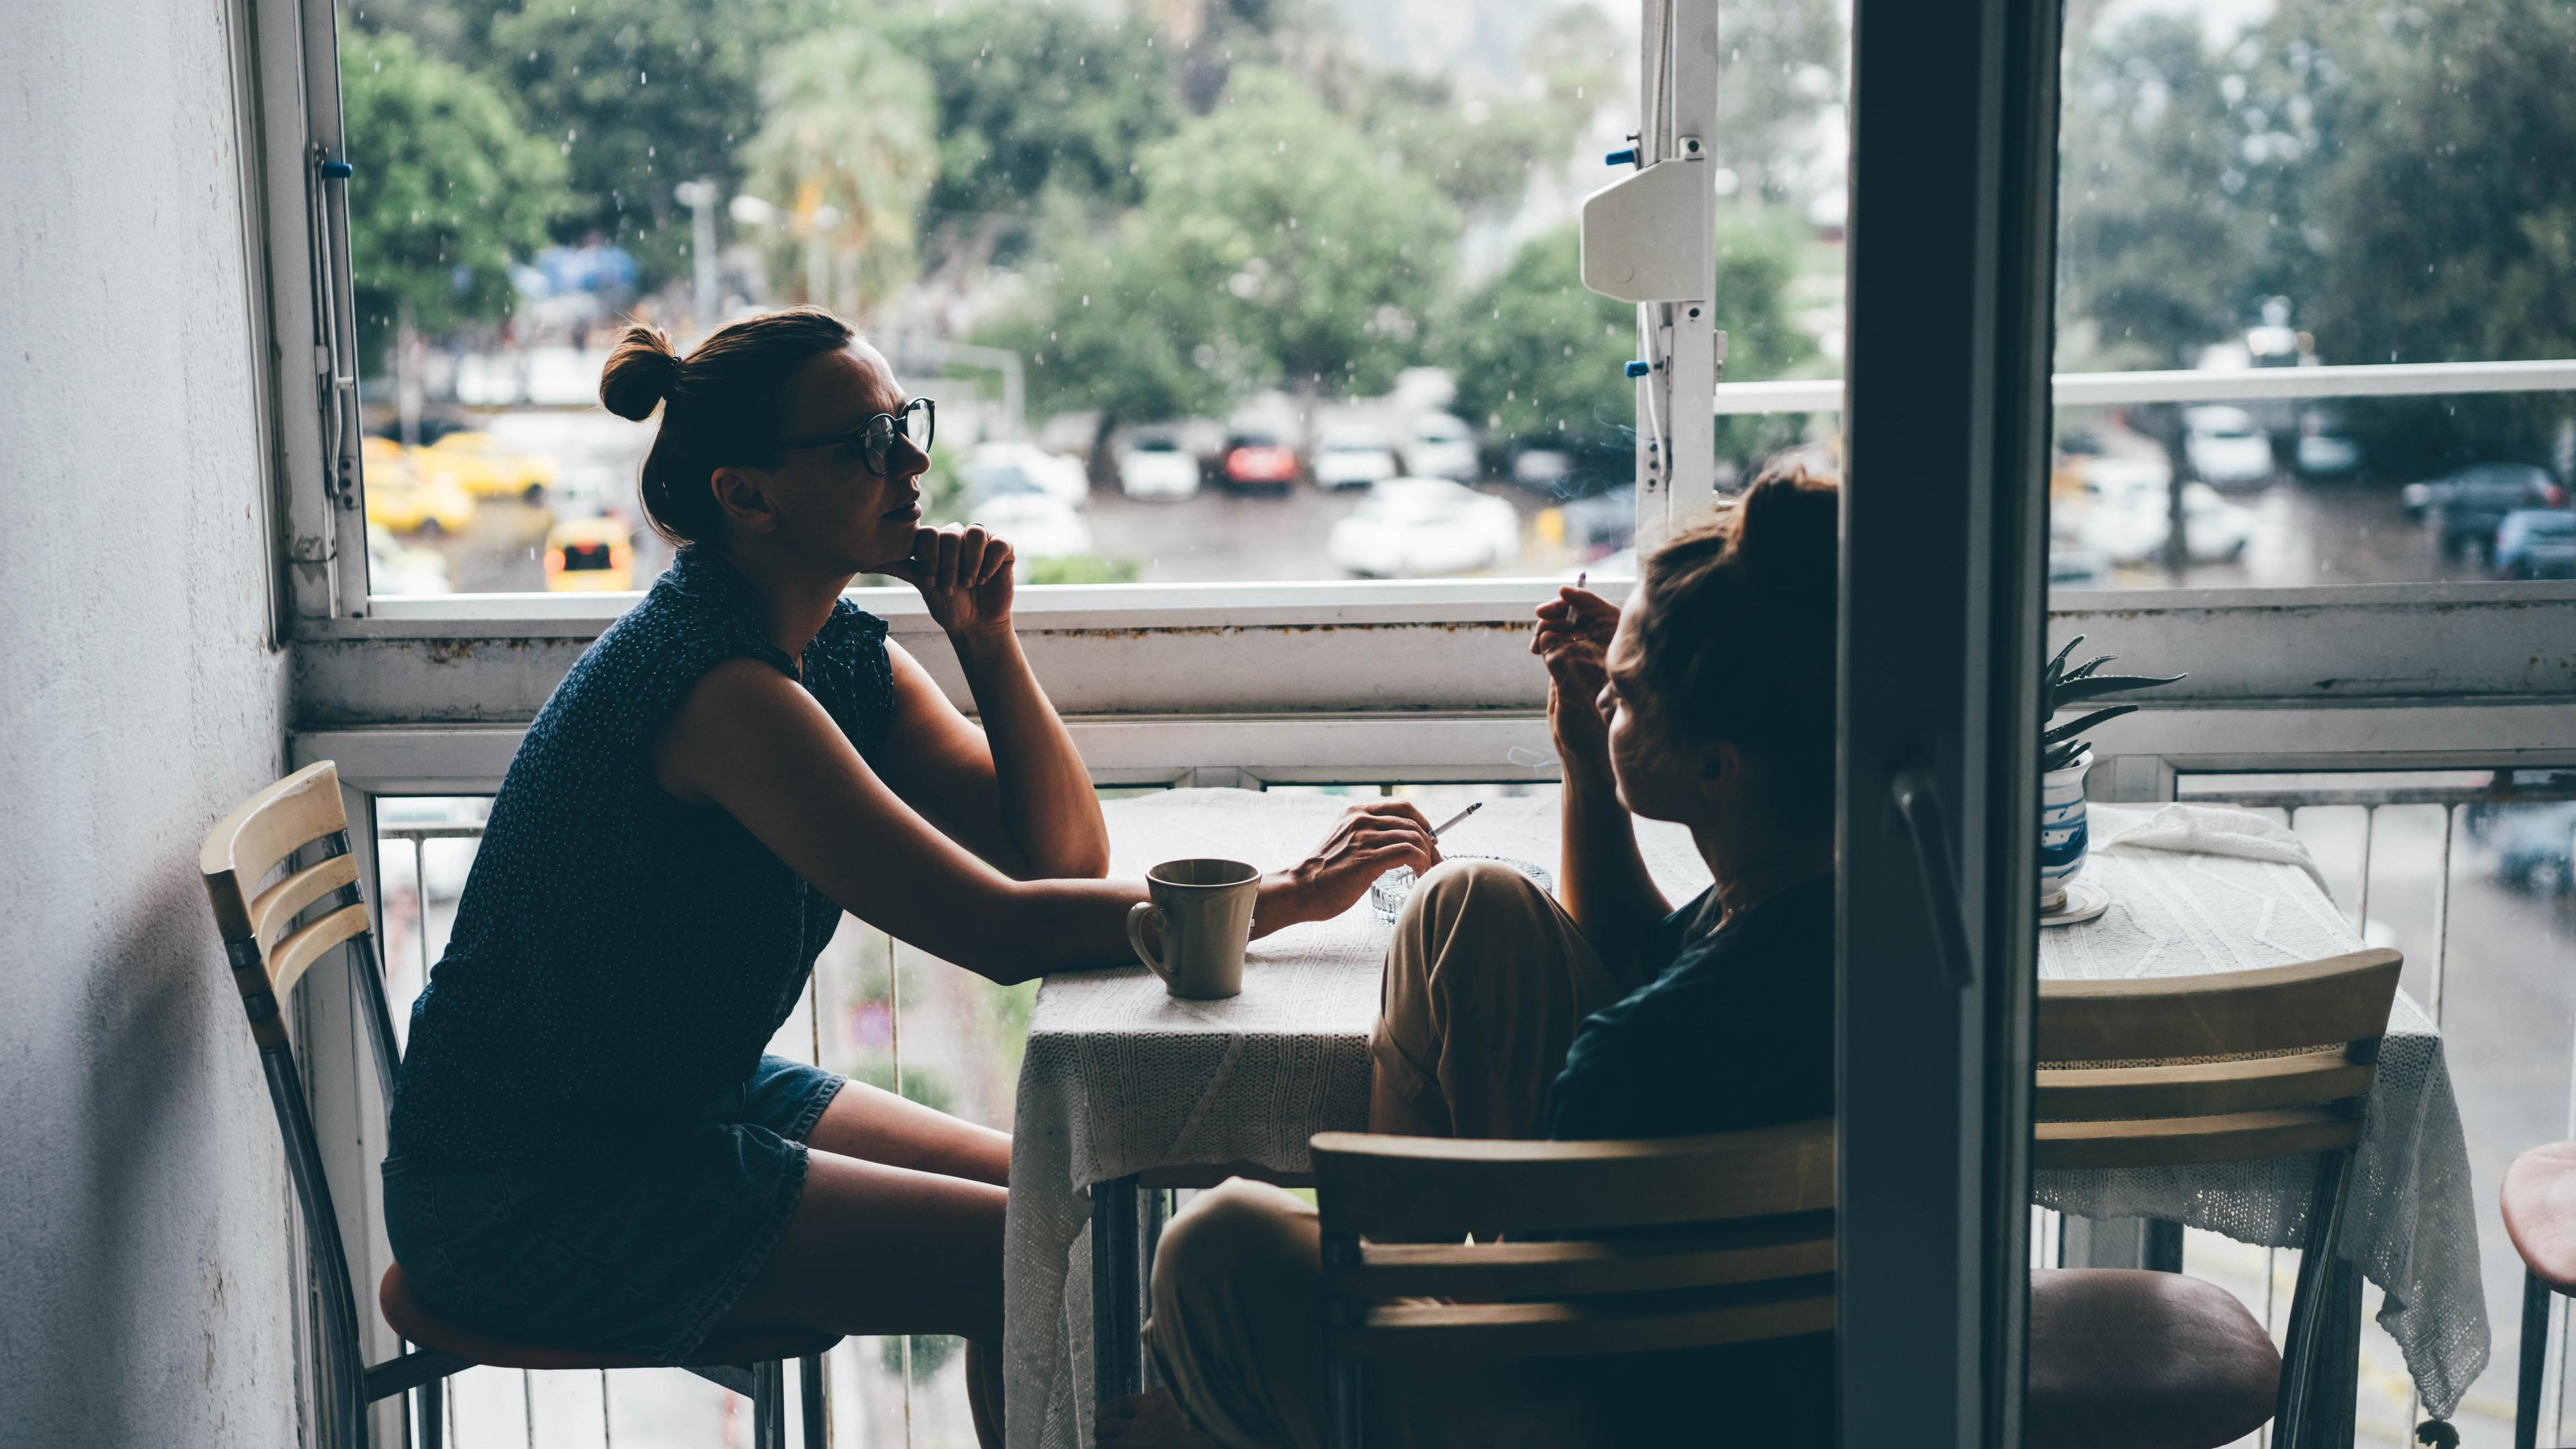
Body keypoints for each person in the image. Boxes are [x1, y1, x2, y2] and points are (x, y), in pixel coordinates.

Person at [379, 307, 1440, 1448]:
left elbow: (1058, 856)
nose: (914, 463)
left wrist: (987, 640)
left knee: (1065, 1203)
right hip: (530, 1193)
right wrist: (1283, 898)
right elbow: (1003, 931)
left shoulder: (830, 642)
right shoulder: (720, 691)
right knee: (1027, 1255)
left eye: (905, 425)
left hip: (685, 1099)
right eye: (866, 443)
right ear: (748, 496)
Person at [1099, 462, 1842, 1449]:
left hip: (1608, 1407)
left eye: (1624, 693)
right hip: (1775, 1364)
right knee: (1471, 903)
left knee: (1217, 1247)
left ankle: (1285, 1404)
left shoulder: (1628, 1062)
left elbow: (1532, 1343)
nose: (1608, 701)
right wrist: (1587, 750)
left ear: (1717, 765)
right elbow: (1643, 956)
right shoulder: (1829, 899)